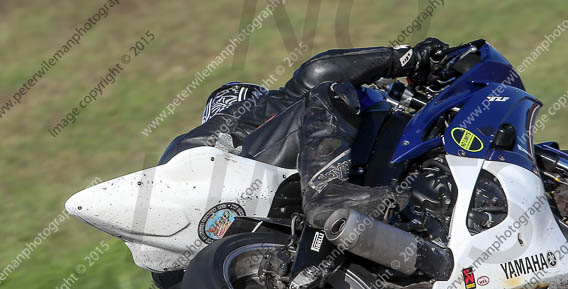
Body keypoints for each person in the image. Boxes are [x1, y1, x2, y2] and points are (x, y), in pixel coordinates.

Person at [161, 37, 448, 229]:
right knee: (331, 92)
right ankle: (326, 191)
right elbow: (318, 72)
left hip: (237, 242)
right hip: (270, 188)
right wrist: (404, 59)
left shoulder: (186, 163)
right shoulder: (260, 113)